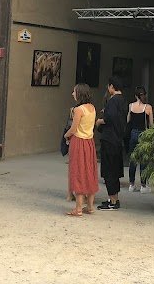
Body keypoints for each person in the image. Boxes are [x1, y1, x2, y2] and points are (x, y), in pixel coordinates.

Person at [63, 84, 98, 217]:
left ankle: (78, 208)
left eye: (74, 91)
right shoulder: (92, 108)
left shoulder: (78, 109)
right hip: (89, 142)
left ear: (79, 93)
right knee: (89, 171)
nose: (72, 94)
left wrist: (66, 135)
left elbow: (73, 128)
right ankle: (89, 206)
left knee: (78, 172)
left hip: (78, 142)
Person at [95, 76, 128, 211]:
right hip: (117, 139)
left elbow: (110, 118)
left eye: (109, 86)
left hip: (109, 139)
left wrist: (99, 121)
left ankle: (113, 201)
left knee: (109, 170)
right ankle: (114, 198)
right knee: (114, 170)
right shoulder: (123, 100)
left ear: (112, 86)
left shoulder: (113, 101)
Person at [127, 86, 154, 193]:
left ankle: (131, 184)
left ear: (135, 96)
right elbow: (151, 124)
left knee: (133, 159)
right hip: (143, 134)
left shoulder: (131, 106)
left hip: (133, 133)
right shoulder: (148, 107)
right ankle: (143, 185)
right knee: (143, 160)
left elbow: (128, 120)